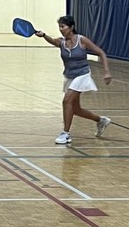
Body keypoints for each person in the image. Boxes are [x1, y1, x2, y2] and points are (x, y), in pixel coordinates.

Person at [35, 16, 112, 144]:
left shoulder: (82, 40)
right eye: (59, 27)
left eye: (63, 27)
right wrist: (43, 35)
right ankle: (101, 120)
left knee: (66, 101)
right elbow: (52, 41)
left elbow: (101, 53)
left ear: (71, 27)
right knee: (75, 109)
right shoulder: (61, 43)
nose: (61, 29)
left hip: (82, 75)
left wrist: (107, 72)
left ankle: (65, 134)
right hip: (70, 76)